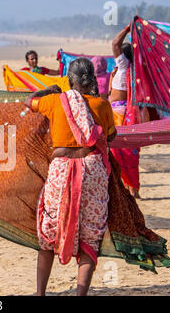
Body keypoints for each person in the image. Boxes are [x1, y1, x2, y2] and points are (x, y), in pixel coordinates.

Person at [24, 57, 116, 296]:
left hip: (61, 170)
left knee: (49, 229)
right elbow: (111, 137)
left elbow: (28, 101)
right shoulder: (102, 105)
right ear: (91, 79)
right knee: (90, 232)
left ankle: (40, 292)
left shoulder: (55, 101)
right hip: (92, 170)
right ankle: (80, 294)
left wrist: (49, 89)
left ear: (69, 80)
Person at [108, 24, 141, 199]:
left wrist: (128, 29)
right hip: (129, 113)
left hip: (118, 113)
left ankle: (124, 187)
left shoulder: (123, 66)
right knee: (130, 151)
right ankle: (133, 188)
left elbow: (114, 43)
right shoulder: (136, 70)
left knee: (116, 150)